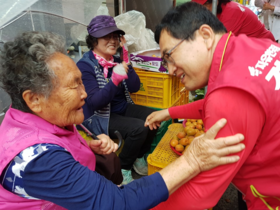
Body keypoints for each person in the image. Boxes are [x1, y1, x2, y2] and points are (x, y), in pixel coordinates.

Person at [0, 31, 245, 210]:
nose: (83, 92)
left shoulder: (38, 115)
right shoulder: (37, 160)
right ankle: (128, 169)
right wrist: (193, 160)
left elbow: (65, 134)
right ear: (34, 99)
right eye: (73, 86)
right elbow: (118, 204)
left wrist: (87, 145)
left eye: (80, 82)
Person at [145, 2, 280, 209]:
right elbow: (220, 104)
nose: (170, 70)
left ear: (205, 35)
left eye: (169, 56)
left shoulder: (229, 93)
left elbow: (200, 193)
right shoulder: (256, 47)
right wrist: (169, 112)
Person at [76, 15, 158, 185]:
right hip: (99, 116)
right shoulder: (85, 66)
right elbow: (94, 103)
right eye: (107, 36)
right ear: (93, 40)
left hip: (120, 108)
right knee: (138, 128)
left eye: (115, 36)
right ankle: (123, 168)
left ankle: (136, 157)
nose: (112, 41)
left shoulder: (117, 61)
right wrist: (114, 81)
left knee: (154, 117)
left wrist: (128, 63)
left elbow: (134, 87)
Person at [192, 0, 276, 41]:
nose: (199, 11)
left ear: (215, 2)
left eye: (202, 6)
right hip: (248, 46)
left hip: (263, 46)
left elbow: (217, 44)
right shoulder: (218, 11)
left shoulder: (230, 12)